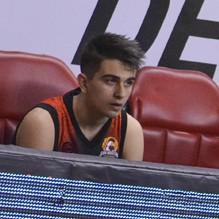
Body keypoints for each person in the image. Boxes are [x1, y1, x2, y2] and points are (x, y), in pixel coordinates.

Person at [14, 33, 145, 160]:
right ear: (84, 83)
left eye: (128, 83)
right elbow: (31, 177)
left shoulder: (130, 130)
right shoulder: (43, 122)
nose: (121, 94)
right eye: (111, 81)